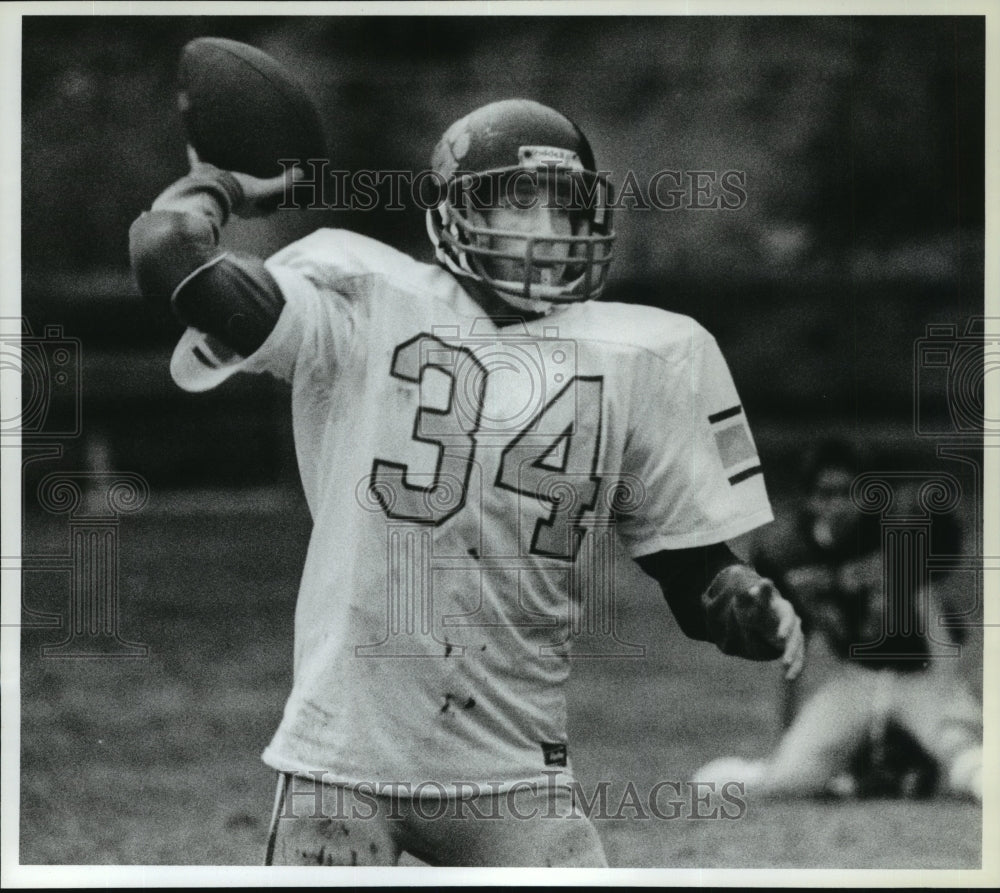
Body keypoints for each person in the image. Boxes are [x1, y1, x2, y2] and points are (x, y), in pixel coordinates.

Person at [130, 97, 804, 867]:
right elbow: (169, 258)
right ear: (456, 210)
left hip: (512, 769)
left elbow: (691, 573)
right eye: (519, 201)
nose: (545, 229)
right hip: (343, 756)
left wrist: (741, 603)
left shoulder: (640, 355)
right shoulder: (365, 297)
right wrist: (216, 184)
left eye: (564, 206)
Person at [694, 439, 983, 801]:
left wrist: (947, 693)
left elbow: (929, 606)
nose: (839, 504)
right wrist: (788, 734)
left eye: (851, 492)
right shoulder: (786, 550)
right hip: (857, 677)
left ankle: (903, 767)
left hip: (922, 677)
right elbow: (793, 642)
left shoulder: (900, 530)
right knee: (789, 779)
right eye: (826, 493)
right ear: (809, 498)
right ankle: (868, 774)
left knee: (966, 763)